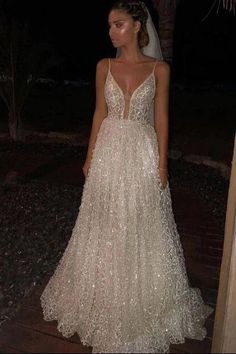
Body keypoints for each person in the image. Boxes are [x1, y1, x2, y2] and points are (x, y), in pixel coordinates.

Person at [40, 0, 213, 352]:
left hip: (142, 153)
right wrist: (89, 156)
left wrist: (163, 164)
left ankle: (141, 298)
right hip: (109, 150)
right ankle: (101, 294)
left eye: (117, 24)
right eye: (109, 25)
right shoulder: (103, 66)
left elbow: (162, 119)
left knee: (140, 222)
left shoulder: (159, 69)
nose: (111, 32)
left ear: (137, 26)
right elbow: (99, 113)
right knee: (103, 221)